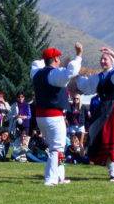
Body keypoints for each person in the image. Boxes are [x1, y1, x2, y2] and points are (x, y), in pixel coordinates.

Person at [77, 47, 114, 182]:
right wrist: (74, 73)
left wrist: (112, 53)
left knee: (110, 140)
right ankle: (112, 173)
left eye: (105, 59)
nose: (102, 61)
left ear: (112, 61)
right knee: (101, 140)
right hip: (103, 110)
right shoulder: (98, 77)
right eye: (101, 59)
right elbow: (85, 85)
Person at [30, 43, 83, 186]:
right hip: (53, 116)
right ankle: (50, 179)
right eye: (58, 58)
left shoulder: (36, 73)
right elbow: (70, 72)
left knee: (57, 147)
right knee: (57, 148)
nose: (59, 61)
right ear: (54, 59)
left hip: (41, 116)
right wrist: (78, 55)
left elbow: (36, 63)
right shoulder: (52, 74)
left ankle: (60, 176)